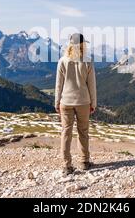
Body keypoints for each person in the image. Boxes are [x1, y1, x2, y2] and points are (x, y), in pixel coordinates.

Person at [55, 33, 97, 175]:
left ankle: (67, 165)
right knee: (83, 132)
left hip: (66, 101)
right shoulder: (88, 61)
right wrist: (94, 103)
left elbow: (58, 85)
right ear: (83, 45)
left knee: (66, 132)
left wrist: (56, 102)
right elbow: (92, 85)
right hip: (83, 102)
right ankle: (84, 162)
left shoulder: (63, 61)